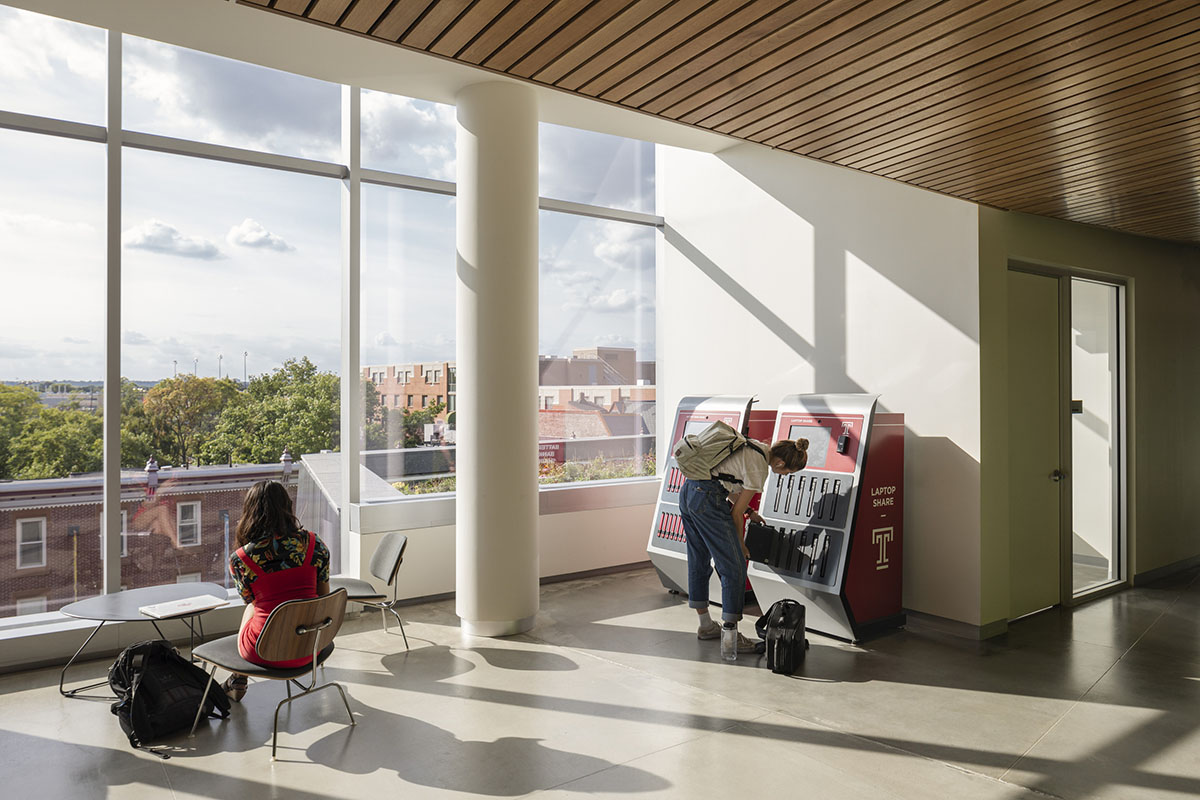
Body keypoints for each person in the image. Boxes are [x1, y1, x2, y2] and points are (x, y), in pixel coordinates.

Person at [680, 436, 808, 659]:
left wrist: (750, 511)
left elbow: (721, 480)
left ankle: (706, 625)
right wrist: (740, 546)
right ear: (780, 464)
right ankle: (730, 637)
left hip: (689, 491)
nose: (786, 476)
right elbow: (734, 514)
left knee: (698, 559)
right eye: (789, 472)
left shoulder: (754, 446)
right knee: (735, 567)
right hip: (708, 502)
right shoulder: (760, 469)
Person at [223, 479, 330, 700]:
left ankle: (237, 678)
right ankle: (237, 678)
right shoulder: (314, 544)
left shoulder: (241, 559)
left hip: (264, 651)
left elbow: (251, 602)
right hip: (311, 646)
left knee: (253, 609)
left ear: (250, 512)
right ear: (287, 506)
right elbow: (324, 598)